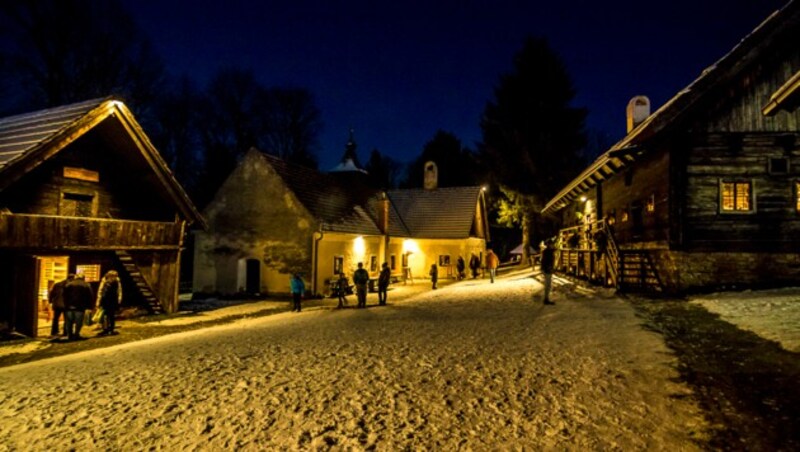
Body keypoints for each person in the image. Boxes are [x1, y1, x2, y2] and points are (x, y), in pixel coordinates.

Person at [62, 273, 94, 340]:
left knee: (69, 322)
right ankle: (77, 334)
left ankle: (70, 335)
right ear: (83, 278)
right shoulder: (86, 285)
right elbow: (90, 296)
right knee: (78, 322)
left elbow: (64, 295)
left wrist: (65, 304)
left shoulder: (69, 284)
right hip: (80, 307)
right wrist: (90, 307)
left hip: (69, 306)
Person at [96, 270, 122, 335]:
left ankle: (108, 329)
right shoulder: (106, 281)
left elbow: (119, 291)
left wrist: (98, 300)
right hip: (109, 300)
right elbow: (101, 291)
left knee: (108, 315)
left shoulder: (115, 281)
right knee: (107, 315)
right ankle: (108, 329)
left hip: (108, 300)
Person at [540, 240, 556, 305]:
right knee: (548, 285)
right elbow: (544, 261)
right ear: (549, 245)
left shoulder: (549, 251)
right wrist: (547, 268)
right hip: (547, 269)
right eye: (551, 244)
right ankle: (546, 299)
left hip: (548, 269)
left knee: (548, 284)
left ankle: (546, 298)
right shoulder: (547, 252)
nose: (553, 245)